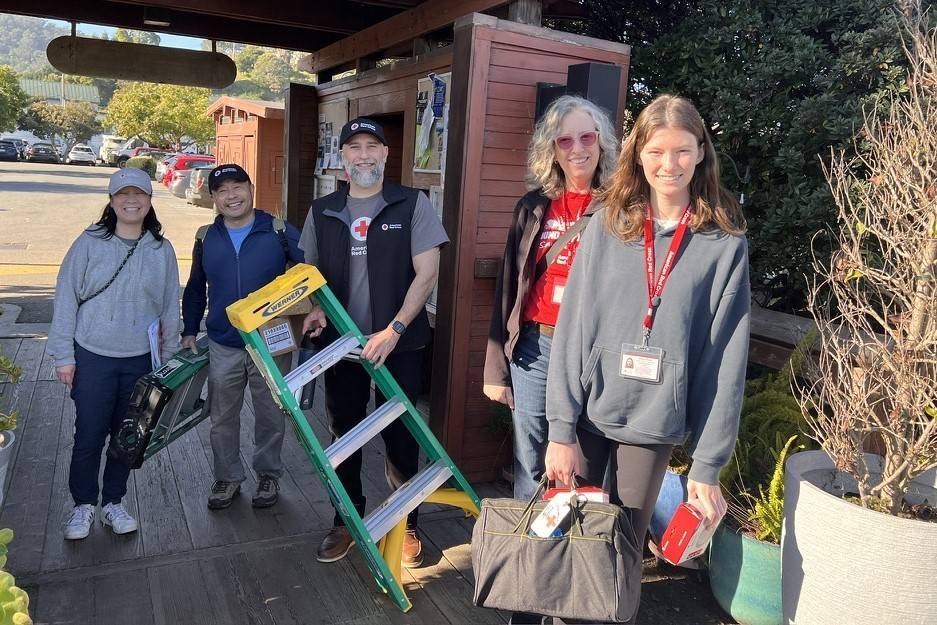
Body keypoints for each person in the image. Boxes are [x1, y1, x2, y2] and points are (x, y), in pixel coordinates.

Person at [544, 95, 750, 588]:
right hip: (591, 411)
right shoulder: (606, 228)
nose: (669, 164)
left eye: (682, 151)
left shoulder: (724, 245)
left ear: (701, 152)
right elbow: (574, 328)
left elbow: (726, 359)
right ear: (638, 153)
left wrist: (707, 463)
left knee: (622, 548)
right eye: (657, 151)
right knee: (571, 536)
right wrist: (560, 428)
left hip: (655, 420)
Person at [299, 117, 448, 569]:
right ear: (342, 157)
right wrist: (316, 307)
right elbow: (311, 276)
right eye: (354, 148)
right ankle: (346, 519)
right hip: (341, 346)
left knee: (403, 434)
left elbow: (427, 273)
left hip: (398, 345)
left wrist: (395, 329)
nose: (363, 155)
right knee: (343, 434)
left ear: (385, 154)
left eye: (372, 147)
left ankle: (406, 524)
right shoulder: (322, 209)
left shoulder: (412, 203)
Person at [483, 95, 620, 505]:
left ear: (602, 142)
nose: (577, 149)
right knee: (532, 460)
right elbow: (507, 286)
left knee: (591, 458)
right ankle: (534, 557)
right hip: (536, 347)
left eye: (586, 137)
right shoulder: (533, 206)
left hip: (597, 351)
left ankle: (580, 557)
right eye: (565, 141)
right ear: (552, 150)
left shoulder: (622, 207)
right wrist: (495, 369)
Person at [49, 167, 180, 540]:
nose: (131, 200)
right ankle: (84, 505)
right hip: (93, 355)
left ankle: (113, 502)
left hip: (140, 360)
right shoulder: (89, 242)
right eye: (122, 194)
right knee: (89, 434)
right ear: (111, 201)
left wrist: (167, 360)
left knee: (128, 437)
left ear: (150, 201)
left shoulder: (161, 248)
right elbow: (66, 298)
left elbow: (171, 306)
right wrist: (63, 356)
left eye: (139, 194)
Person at [181, 164, 304, 510]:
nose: (231, 196)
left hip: (271, 338)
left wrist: (313, 310)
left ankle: (268, 475)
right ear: (214, 198)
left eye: (238, 187)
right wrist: (189, 329)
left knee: (270, 412)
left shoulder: (278, 230)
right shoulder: (206, 237)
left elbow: (311, 271)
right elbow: (195, 288)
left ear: (251, 189)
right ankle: (227, 477)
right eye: (222, 191)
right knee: (221, 414)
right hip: (224, 340)